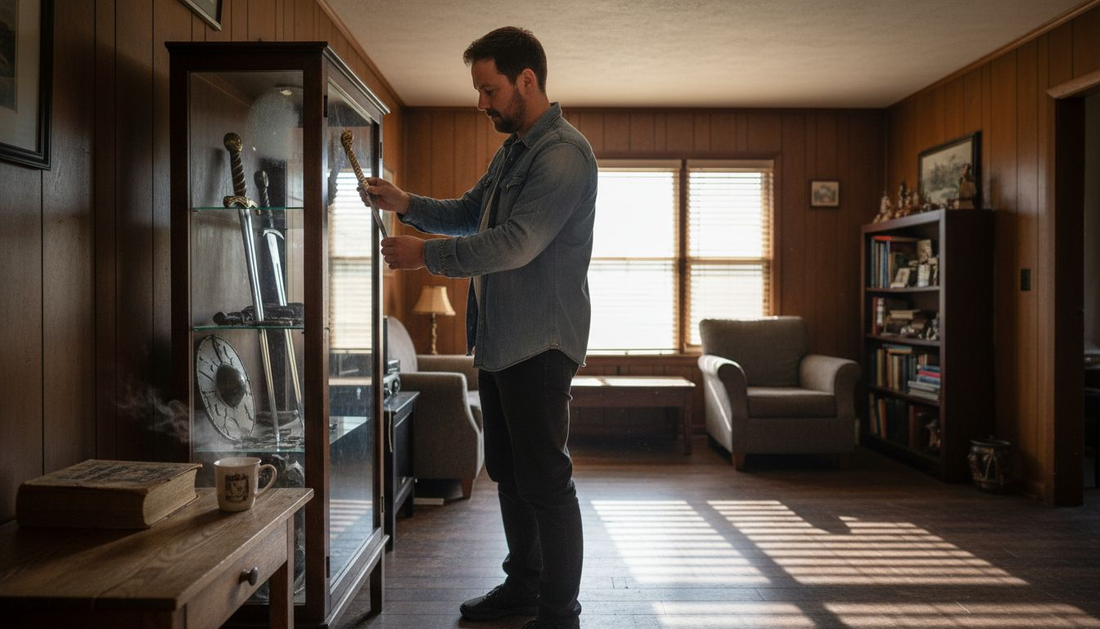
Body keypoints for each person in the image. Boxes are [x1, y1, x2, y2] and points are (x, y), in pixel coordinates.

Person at [360, 26, 597, 629]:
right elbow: (470, 214)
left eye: (489, 90)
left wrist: (423, 256)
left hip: (540, 343)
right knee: (510, 473)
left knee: (545, 479)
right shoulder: (514, 150)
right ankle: (524, 587)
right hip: (499, 342)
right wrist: (403, 200)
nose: (482, 103)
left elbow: (516, 244)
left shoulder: (563, 154)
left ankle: (559, 613)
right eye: (478, 91)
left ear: (527, 80)